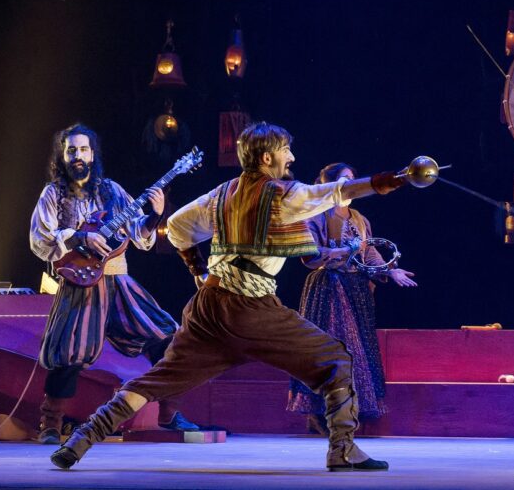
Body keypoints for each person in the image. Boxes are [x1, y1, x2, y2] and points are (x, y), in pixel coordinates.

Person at [51, 121, 425, 472]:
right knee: (336, 359)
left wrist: (198, 270)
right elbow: (339, 191)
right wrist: (397, 178)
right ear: (267, 157)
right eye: (286, 150)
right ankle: (342, 449)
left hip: (209, 306)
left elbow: (177, 227)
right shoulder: (283, 195)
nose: (292, 157)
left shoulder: (222, 193)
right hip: (251, 308)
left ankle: (83, 438)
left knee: (159, 379)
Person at [30, 124, 198, 445]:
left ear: (92, 154)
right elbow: (41, 238)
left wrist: (155, 215)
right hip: (79, 282)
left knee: (167, 338)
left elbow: (138, 233)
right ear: (62, 156)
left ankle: (169, 414)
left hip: (118, 281)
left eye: (83, 149)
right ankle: (50, 425)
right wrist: (81, 237)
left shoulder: (112, 191)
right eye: (71, 150)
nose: (77, 156)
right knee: (69, 352)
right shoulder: (54, 194)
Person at [288, 162, 416, 433]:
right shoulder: (316, 216)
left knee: (357, 350)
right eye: (344, 180)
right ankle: (321, 413)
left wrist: (390, 270)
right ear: (330, 184)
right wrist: (343, 251)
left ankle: (349, 412)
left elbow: (368, 253)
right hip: (329, 288)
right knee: (333, 346)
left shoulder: (359, 218)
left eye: (352, 179)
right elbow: (309, 254)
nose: (350, 184)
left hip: (356, 289)